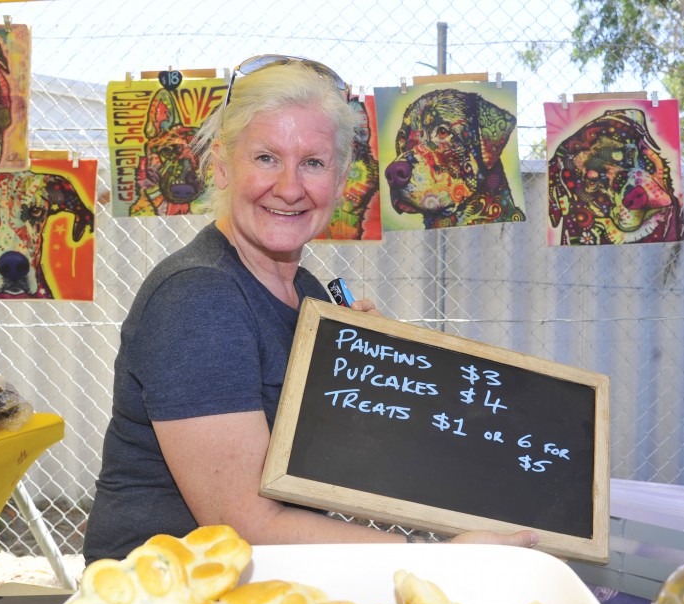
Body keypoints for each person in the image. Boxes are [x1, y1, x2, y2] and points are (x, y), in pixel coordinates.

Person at [83, 55, 538, 562]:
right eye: (266, 158)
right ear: (220, 166)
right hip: (164, 596)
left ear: (342, 180)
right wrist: (438, 558)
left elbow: (339, 467)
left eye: (314, 163)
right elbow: (245, 523)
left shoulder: (310, 293)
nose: (290, 187)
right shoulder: (198, 297)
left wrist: (387, 373)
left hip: (264, 579)